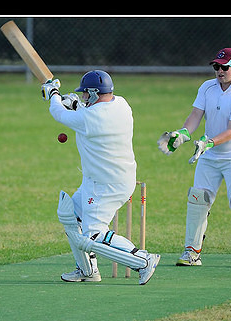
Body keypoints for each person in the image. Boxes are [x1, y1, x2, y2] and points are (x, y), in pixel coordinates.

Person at [42, 70, 160, 285]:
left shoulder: (91, 117)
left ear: (95, 93)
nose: (84, 98)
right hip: (105, 179)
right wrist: (76, 104)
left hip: (106, 185)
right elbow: (86, 113)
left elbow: (59, 114)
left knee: (93, 235)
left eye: (86, 94)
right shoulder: (122, 104)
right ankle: (87, 270)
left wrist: (54, 95)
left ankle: (142, 260)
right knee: (70, 215)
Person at [157, 48, 231, 268]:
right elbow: (196, 115)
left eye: (225, 67)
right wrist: (183, 134)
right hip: (209, 153)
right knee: (198, 198)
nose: (220, 71)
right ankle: (191, 253)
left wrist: (209, 142)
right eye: (217, 66)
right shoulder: (207, 87)